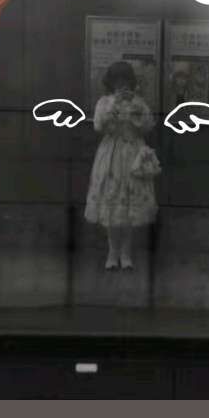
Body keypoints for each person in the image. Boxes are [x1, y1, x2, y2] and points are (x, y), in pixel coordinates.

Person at [85, 60, 157, 270]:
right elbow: (99, 126)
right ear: (111, 82)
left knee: (130, 207)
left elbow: (148, 126)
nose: (121, 85)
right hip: (111, 156)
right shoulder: (104, 102)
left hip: (133, 156)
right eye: (117, 80)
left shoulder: (138, 102)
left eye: (125, 80)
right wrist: (114, 104)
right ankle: (112, 252)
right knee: (111, 204)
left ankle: (126, 253)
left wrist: (135, 108)